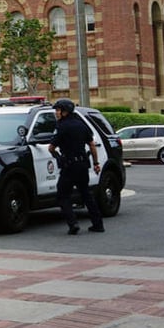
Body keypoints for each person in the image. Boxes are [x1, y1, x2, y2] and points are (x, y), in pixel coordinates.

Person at [48, 98, 104, 235]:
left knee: (62, 195)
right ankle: (98, 224)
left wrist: (57, 156)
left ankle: (73, 224)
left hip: (69, 166)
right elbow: (92, 145)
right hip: (82, 165)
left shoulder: (61, 127)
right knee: (86, 194)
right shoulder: (82, 125)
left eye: (58, 110)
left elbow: (51, 147)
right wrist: (96, 163)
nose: (56, 113)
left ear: (64, 111)